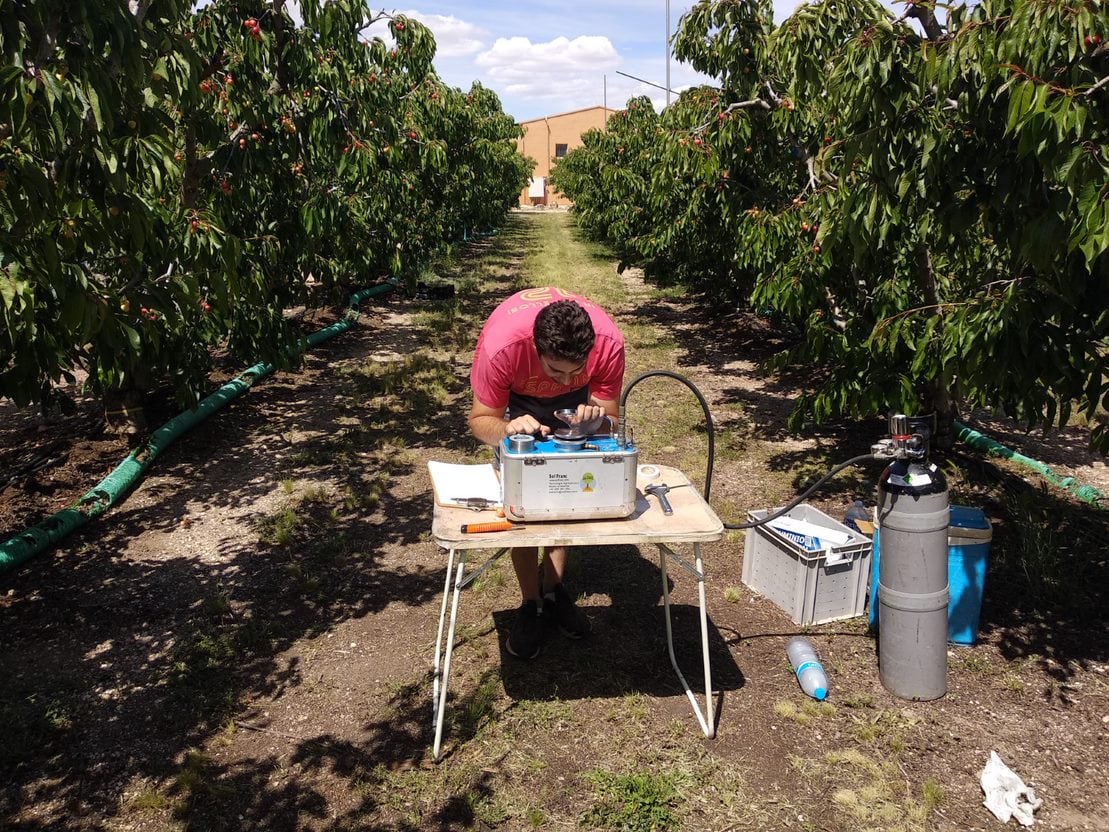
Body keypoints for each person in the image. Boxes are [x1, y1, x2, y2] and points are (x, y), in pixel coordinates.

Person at [468, 286, 625, 659]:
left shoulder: (608, 344)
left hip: (572, 406)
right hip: (518, 398)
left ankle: (554, 591)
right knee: (522, 498)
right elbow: (480, 421)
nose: (565, 381)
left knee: (565, 490)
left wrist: (595, 419)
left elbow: (611, 421)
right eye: (555, 370)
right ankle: (530, 602)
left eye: (576, 372)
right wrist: (507, 428)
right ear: (536, 348)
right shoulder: (502, 347)